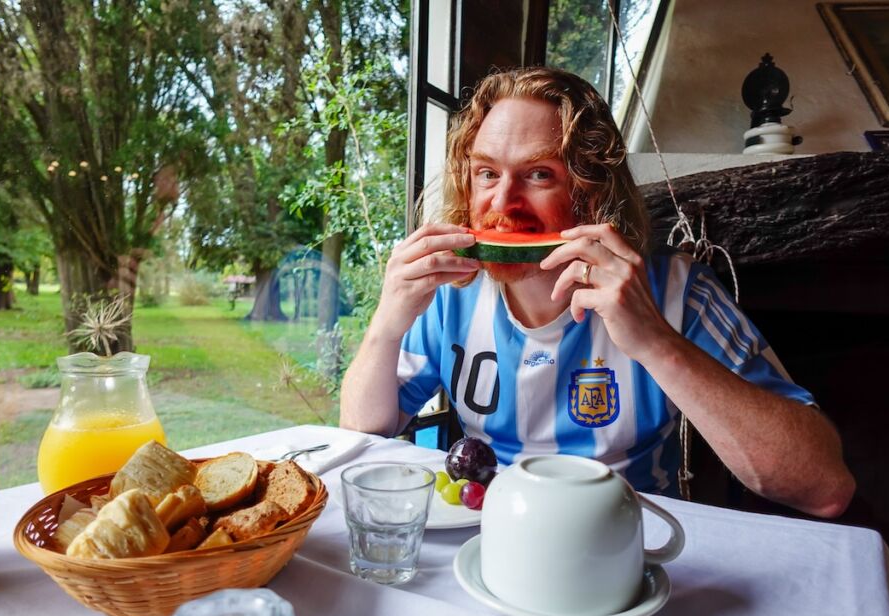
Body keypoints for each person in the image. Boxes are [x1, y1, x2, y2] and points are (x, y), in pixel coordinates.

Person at [340, 66, 855, 518]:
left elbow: (824, 489)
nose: (502, 201)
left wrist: (654, 341)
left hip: (633, 543)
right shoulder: (450, 290)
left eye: (539, 174)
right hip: (491, 532)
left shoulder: (677, 292)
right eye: (486, 173)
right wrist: (387, 323)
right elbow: (360, 432)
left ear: (590, 192)